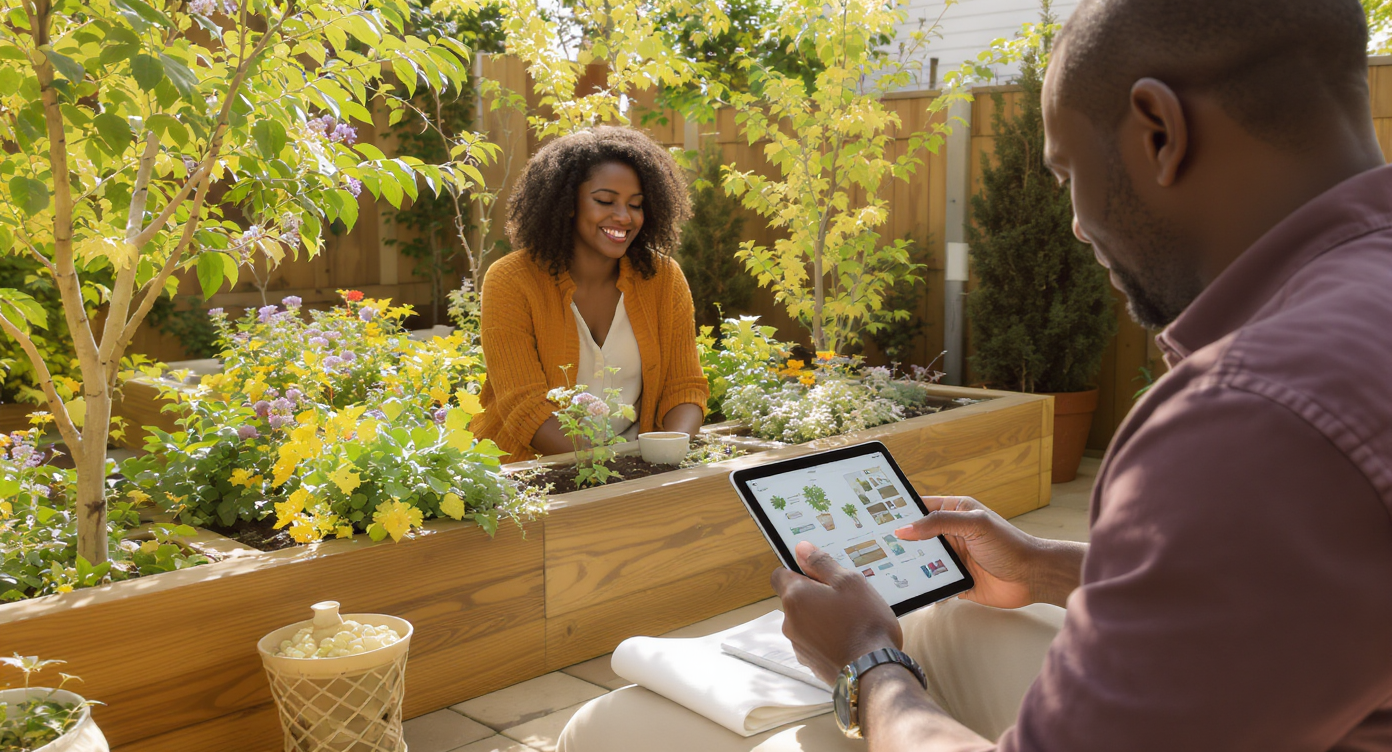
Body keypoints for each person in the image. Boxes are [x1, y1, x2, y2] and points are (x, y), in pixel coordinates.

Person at [558, 0, 1392, 749]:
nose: (1074, 224)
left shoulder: (1254, 413)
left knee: (611, 731)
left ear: (1159, 134)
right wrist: (1042, 564)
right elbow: (1268, 587)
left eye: (1068, 173)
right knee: (953, 619)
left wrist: (868, 664)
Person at [473, 126, 709, 460]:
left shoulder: (663, 279)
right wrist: (604, 469)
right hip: (531, 477)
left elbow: (683, 385)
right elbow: (523, 406)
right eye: (604, 201)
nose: (624, 217)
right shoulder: (512, 280)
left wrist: (669, 452)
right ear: (567, 203)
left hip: (639, 470)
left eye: (636, 204)